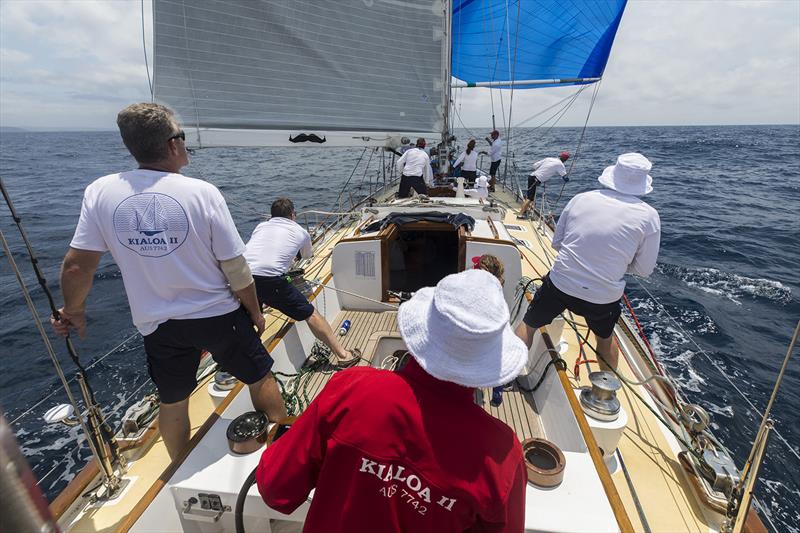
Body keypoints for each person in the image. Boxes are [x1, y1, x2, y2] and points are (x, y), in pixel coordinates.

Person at [51, 103, 287, 459]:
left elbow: (76, 267)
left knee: (173, 402)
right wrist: (254, 311)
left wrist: (74, 311)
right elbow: (236, 269)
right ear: (173, 143)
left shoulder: (100, 192)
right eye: (183, 136)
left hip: (159, 327)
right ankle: (284, 454)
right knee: (259, 376)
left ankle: (180, 467)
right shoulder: (201, 192)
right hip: (218, 317)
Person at [256, 270, 528, 532]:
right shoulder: (501, 457)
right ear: (490, 363)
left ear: (420, 335)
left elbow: (276, 488)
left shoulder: (350, 390)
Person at [515, 153, 661, 370]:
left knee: (528, 325)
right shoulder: (649, 217)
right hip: (602, 297)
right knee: (605, 339)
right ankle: (603, 397)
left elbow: (557, 243)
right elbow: (644, 269)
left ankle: (505, 377)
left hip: (560, 284)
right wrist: (616, 262)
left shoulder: (581, 199)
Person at [244, 198, 358, 365]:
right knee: (310, 314)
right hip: (270, 281)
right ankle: (343, 356)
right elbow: (306, 256)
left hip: (242, 278)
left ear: (272, 216)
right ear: (293, 215)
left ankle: (245, 358)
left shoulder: (260, 226)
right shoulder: (300, 231)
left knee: (250, 316)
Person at [518, 151, 570, 218]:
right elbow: (565, 178)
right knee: (530, 198)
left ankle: (525, 210)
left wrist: (543, 170)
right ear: (565, 159)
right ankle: (520, 214)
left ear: (560, 156)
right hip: (536, 180)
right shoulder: (560, 164)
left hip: (531, 176)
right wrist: (568, 178)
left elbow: (534, 165)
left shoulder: (549, 159)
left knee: (531, 197)